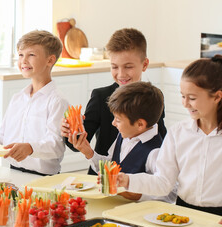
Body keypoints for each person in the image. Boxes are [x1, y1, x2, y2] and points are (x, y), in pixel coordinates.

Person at [118, 56, 222, 216]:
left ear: (217, 97)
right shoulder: (178, 133)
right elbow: (163, 182)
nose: (185, 103)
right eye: (182, 96)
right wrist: (127, 180)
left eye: (192, 98)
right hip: (184, 214)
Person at [61, 28, 167, 175]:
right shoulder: (100, 96)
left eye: (128, 67)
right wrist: (72, 131)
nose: (121, 74)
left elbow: (161, 139)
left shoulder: (154, 97)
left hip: (138, 176)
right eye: (114, 67)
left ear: (144, 64)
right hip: (100, 175)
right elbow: (77, 144)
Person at [0, 30, 69, 175]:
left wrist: (30, 148)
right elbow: (1, 136)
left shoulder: (57, 101)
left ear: (50, 60)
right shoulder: (18, 98)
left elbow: (56, 146)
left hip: (44, 178)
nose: (23, 61)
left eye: (31, 55)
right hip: (13, 172)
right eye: (21, 55)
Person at [70, 81, 176, 202]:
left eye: (118, 120)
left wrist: (137, 195)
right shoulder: (124, 135)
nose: (113, 123)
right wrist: (89, 152)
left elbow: (169, 194)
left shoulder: (156, 151)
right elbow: (112, 166)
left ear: (140, 124)